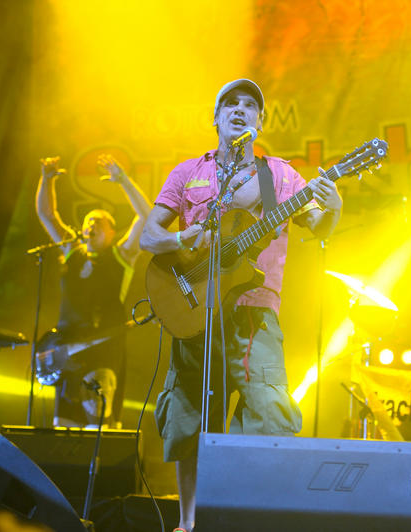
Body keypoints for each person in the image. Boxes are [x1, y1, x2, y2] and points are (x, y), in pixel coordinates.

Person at [140, 79, 342, 532]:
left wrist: (334, 205)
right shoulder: (188, 171)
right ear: (216, 118)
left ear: (259, 121)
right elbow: (146, 236)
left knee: (267, 415)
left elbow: (318, 227)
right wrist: (180, 237)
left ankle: (247, 519)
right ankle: (189, 524)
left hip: (254, 310)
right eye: (230, 103)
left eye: (250, 105)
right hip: (193, 313)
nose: (239, 110)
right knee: (189, 417)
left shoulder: (281, 175)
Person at [36, 154, 151, 428]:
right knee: (65, 423)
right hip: (67, 347)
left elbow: (146, 215)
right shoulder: (72, 252)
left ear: (112, 232)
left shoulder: (121, 255)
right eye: (88, 221)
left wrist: (122, 180)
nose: (91, 225)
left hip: (104, 344)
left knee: (97, 408)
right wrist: (46, 180)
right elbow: (47, 215)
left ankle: (104, 461)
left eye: (99, 222)